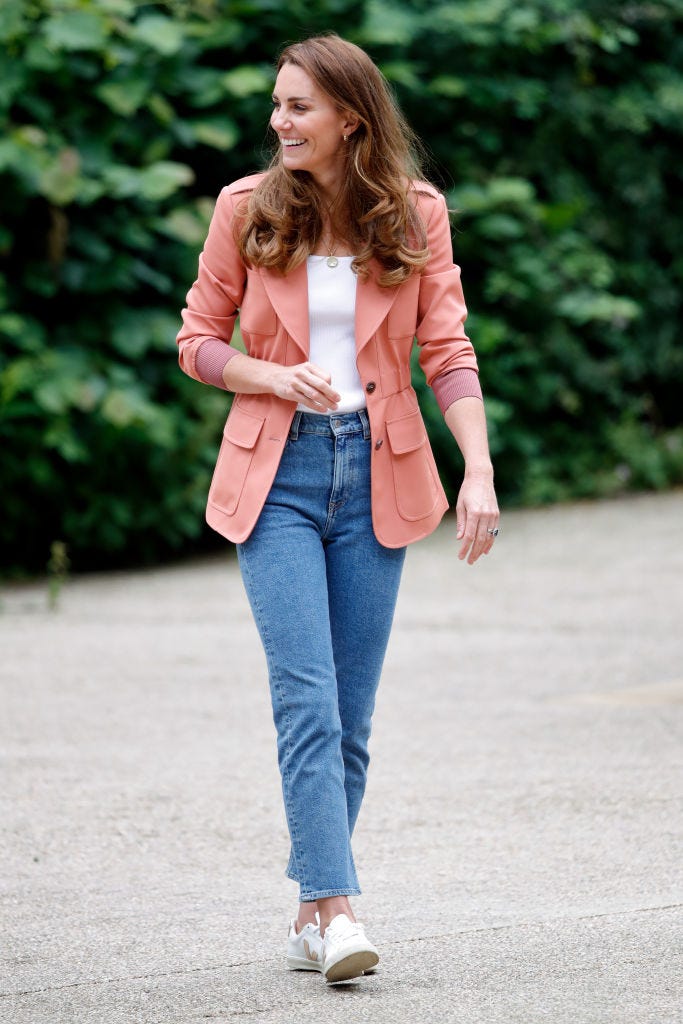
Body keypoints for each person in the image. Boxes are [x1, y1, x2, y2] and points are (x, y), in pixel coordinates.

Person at [176, 33, 499, 984]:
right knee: (306, 698)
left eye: (298, 107)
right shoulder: (245, 208)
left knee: (349, 716)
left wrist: (476, 469)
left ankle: (310, 907)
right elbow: (195, 341)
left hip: (377, 473)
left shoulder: (416, 215)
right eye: (276, 106)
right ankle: (341, 909)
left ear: (349, 118)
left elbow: (447, 350)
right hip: (272, 475)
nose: (278, 121)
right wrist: (268, 374)